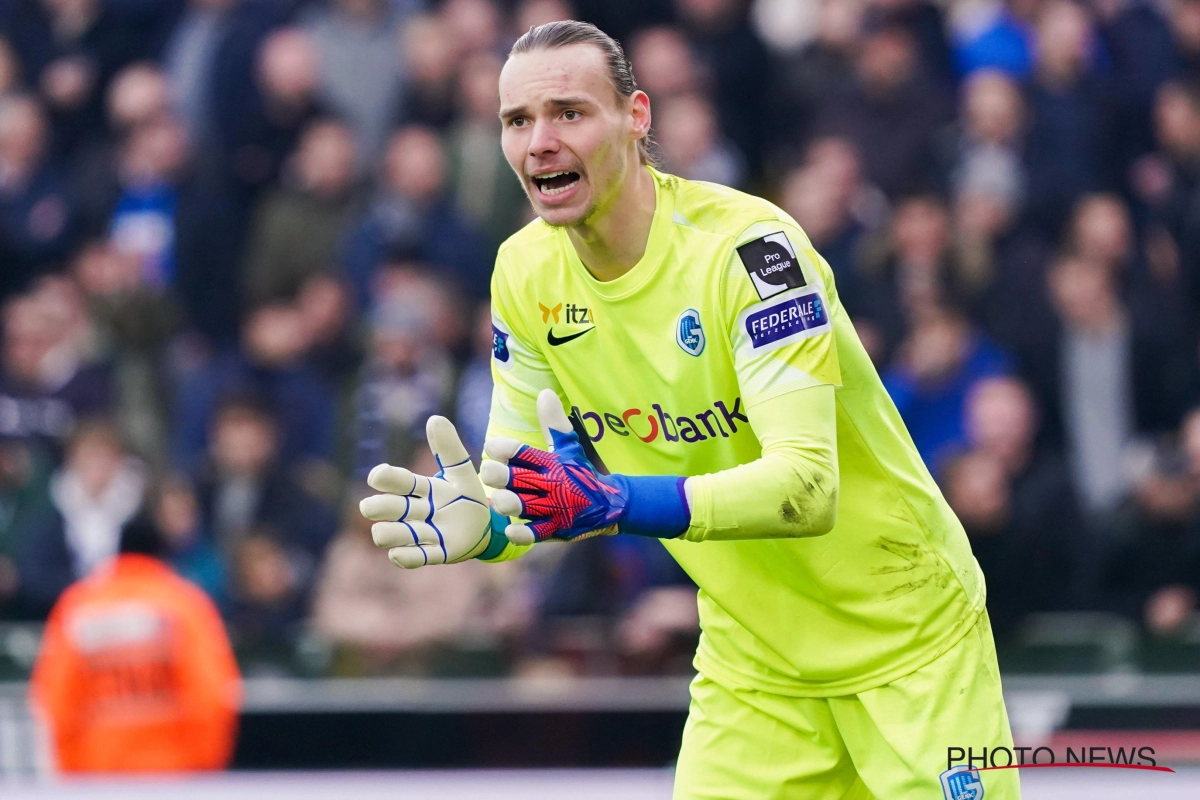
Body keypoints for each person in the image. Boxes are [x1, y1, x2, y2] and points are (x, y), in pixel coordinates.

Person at [359, 20, 1017, 799]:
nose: (539, 142)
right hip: (755, 664)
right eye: (517, 121)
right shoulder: (524, 274)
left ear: (637, 117)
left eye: (569, 112)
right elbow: (533, 490)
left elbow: (806, 488)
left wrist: (612, 503)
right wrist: (490, 527)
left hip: (907, 643)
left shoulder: (754, 252)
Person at [28, 514, 241, 772]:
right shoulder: (184, 605)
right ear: (162, 556)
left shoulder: (79, 608)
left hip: (99, 774)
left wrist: (73, 770)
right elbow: (212, 694)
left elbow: (55, 699)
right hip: (172, 774)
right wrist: (204, 764)